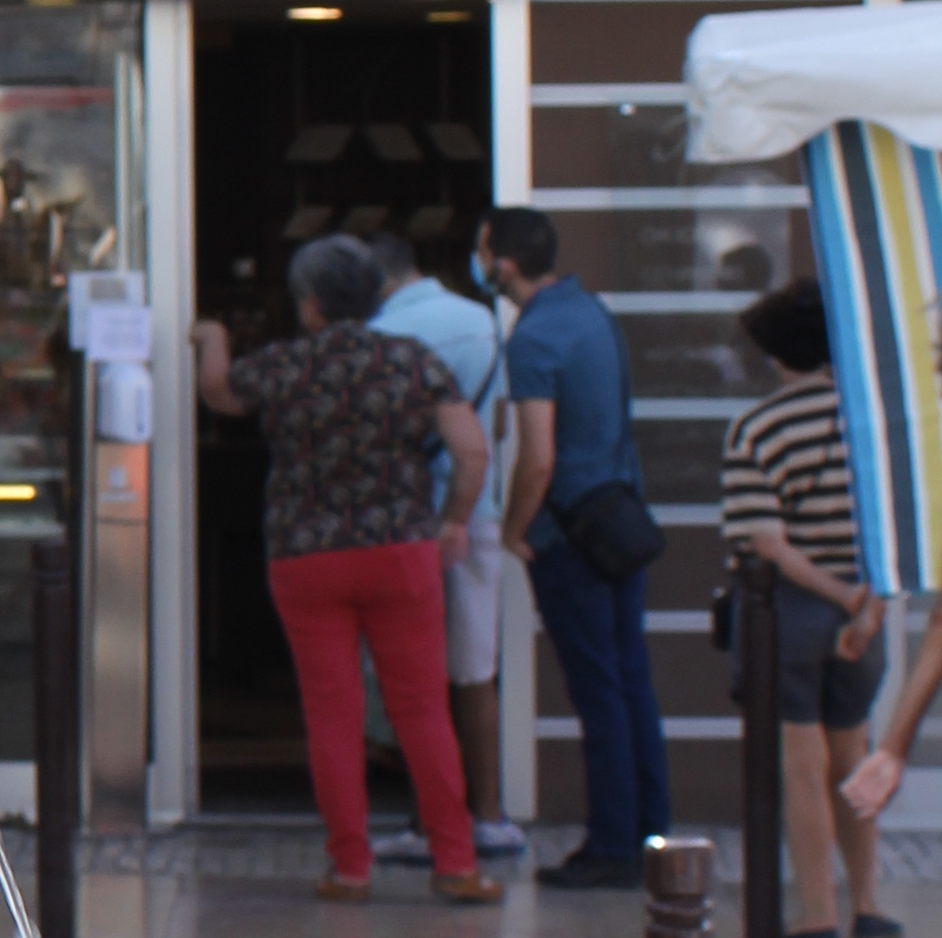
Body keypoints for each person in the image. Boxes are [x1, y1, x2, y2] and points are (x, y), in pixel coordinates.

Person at [193, 234, 498, 902]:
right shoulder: (411, 362)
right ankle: (457, 862)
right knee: (422, 709)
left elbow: (217, 392)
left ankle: (350, 867)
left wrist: (210, 333)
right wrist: (450, 522)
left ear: (309, 306)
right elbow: (470, 450)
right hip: (402, 551)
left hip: (307, 557)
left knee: (333, 714)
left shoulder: (285, 365)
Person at [480, 204, 671, 885]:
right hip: (621, 522)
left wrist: (513, 530)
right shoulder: (593, 312)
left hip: (571, 536)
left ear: (503, 263)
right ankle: (653, 835)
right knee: (631, 683)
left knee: (597, 691)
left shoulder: (532, 340)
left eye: (483, 253)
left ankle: (614, 847)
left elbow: (537, 456)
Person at [720, 278, 893, 938]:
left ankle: (817, 911)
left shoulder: (757, 428)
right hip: (865, 608)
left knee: (800, 764)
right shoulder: (874, 423)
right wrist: (865, 602)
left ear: (779, 355)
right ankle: (869, 903)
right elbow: (895, 528)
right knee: (854, 753)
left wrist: (834, 594)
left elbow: (767, 544)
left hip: (786, 613)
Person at [366, 229, 528, 860]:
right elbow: (503, 420)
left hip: (408, 521)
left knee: (415, 675)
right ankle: (487, 814)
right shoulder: (482, 320)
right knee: (474, 670)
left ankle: (426, 819)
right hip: (476, 512)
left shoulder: (381, 335)